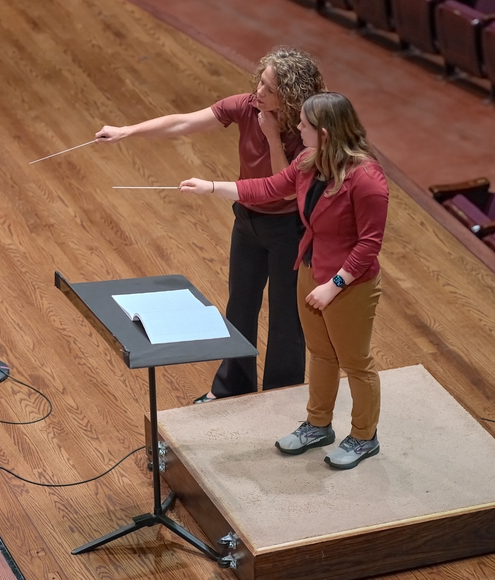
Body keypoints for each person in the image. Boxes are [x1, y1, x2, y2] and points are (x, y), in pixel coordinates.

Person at [96, 47, 326, 403]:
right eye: (260, 83)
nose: (258, 93)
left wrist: (270, 137)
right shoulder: (248, 105)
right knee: (240, 307)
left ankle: (279, 400)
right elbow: (185, 121)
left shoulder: (306, 132)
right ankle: (232, 387)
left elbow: (282, 188)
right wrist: (128, 131)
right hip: (248, 221)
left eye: (268, 89)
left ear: (291, 96)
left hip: (288, 232)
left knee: (286, 322)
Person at [179, 92, 389, 470]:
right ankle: (318, 424)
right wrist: (211, 186)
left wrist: (334, 285)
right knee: (322, 354)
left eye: (304, 125)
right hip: (311, 268)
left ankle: (363, 436)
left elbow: (369, 244)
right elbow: (269, 187)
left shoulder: (367, 180)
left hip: (349, 284)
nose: (297, 129)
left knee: (356, 362)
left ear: (324, 133)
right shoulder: (309, 162)